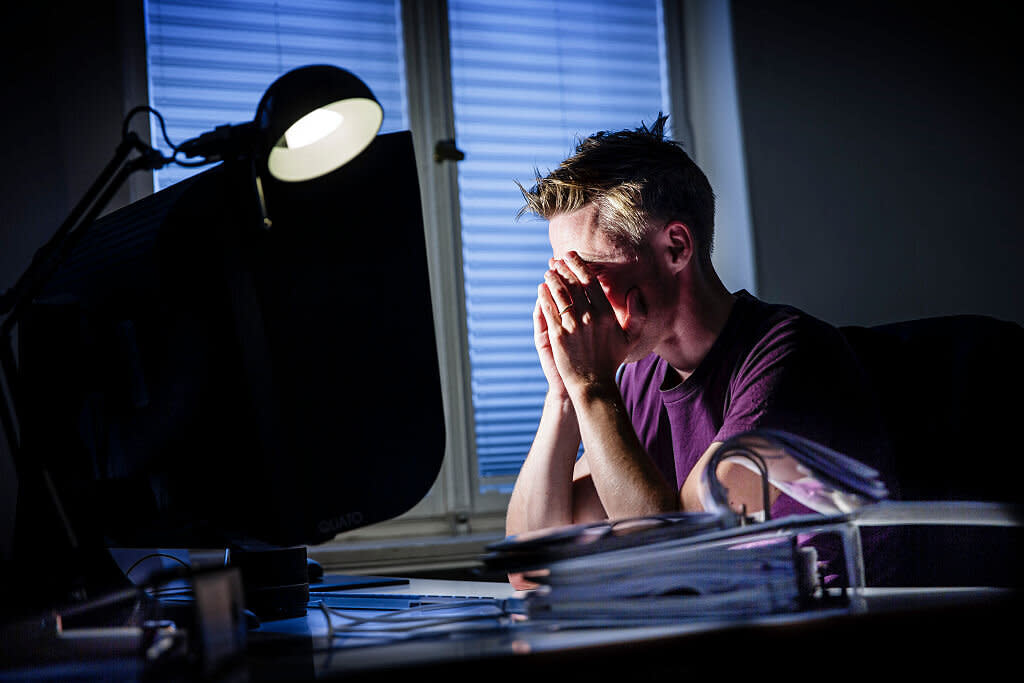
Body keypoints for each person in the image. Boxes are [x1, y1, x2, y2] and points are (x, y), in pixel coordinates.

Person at [505, 114, 897, 587]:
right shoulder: (633, 380)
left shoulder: (788, 354)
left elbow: (681, 558)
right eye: (564, 278)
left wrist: (591, 387)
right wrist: (564, 393)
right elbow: (533, 570)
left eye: (588, 271)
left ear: (675, 248)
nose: (575, 298)